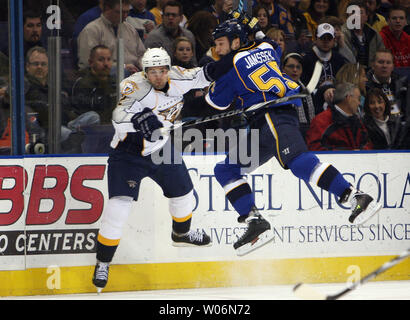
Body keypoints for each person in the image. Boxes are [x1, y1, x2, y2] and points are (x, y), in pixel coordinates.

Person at [188, 17, 382, 256]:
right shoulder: (267, 48)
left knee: (298, 161)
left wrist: (185, 105)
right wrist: (255, 29)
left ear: (236, 41)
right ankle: (254, 221)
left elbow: (214, 104)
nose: (217, 50)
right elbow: (273, 44)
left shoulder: (229, 71)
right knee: (226, 169)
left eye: (220, 43)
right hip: (265, 125)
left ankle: (354, 195)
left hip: (273, 116)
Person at [91, 47, 215, 292]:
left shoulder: (179, 77)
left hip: (161, 149)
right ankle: (103, 262)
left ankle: (181, 234)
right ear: (145, 72)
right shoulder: (134, 85)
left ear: (168, 69)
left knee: (184, 194)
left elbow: (206, 74)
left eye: (161, 70)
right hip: (128, 152)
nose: (158, 75)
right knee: (118, 207)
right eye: (152, 71)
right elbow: (117, 116)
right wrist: (137, 122)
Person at [77, 0, 146, 74]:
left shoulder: (130, 28)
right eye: (120, 12)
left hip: (135, 75)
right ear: (107, 9)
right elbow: (88, 64)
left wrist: (145, 66)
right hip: (106, 77)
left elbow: (142, 54)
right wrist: (122, 67)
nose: (125, 16)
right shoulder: (91, 30)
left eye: (127, 12)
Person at [305, 82, 373, 150]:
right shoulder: (321, 121)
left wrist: (360, 152)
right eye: (358, 99)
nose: (359, 103)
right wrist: (347, 154)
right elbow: (315, 147)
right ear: (348, 98)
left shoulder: (358, 121)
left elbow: (367, 144)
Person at [301, 23, 347, 113]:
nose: (326, 41)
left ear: (334, 40)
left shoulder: (339, 59)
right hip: (313, 104)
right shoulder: (307, 59)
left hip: (335, 103)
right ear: (315, 39)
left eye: (329, 38)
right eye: (322, 38)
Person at [71, 45, 117, 125]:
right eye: (101, 60)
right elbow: (83, 113)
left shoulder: (115, 83)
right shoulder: (82, 83)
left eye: (109, 59)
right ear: (91, 62)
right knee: (93, 117)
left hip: (110, 129)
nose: (106, 64)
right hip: (87, 131)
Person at [366, 49, 410, 119]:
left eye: (388, 62)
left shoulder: (403, 83)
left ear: (393, 66)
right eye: (381, 62)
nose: (384, 66)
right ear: (373, 65)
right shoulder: (365, 86)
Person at [341, 0, 385, 69]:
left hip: (372, 72)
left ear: (366, 16)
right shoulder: (342, 34)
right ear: (348, 16)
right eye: (353, 12)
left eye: (360, 12)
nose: (356, 16)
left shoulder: (374, 34)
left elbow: (382, 55)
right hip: (350, 73)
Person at [281, 52, 316, 139]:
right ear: (283, 69)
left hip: (309, 132)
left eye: (298, 67)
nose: (295, 70)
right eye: (291, 66)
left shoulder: (307, 89)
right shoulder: (280, 90)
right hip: (289, 134)